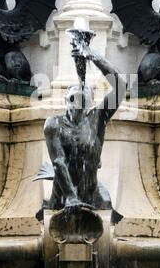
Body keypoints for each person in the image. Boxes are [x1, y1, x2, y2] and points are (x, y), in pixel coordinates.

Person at [44, 45, 127, 209]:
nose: (79, 95)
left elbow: (121, 85)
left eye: (84, 92)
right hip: (63, 198)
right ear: (66, 99)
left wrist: (92, 55)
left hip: (92, 194)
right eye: (74, 93)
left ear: (90, 99)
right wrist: (72, 198)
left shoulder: (97, 117)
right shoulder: (54, 123)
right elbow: (59, 162)